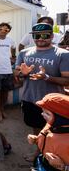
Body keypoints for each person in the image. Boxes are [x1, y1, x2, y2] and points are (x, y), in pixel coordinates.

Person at [15, 23, 69, 162]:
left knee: (56, 132)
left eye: (45, 35)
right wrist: (23, 74)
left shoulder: (63, 54)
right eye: (37, 35)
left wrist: (46, 77)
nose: (40, 38)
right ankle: (39, 153)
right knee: (36, 129)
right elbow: (17, 77)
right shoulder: (24, 53)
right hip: (30, 99)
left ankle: (55, 158)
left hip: (53, 104)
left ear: (51, 36)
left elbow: (67, 81)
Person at [28, 93, 69, 171]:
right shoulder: (51, 125)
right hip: (43, 164)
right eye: (43, 111)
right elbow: (50, 141)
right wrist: (37, 140)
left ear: (61, 118)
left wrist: (63, 167)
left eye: (47, 113)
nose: (42, 114)